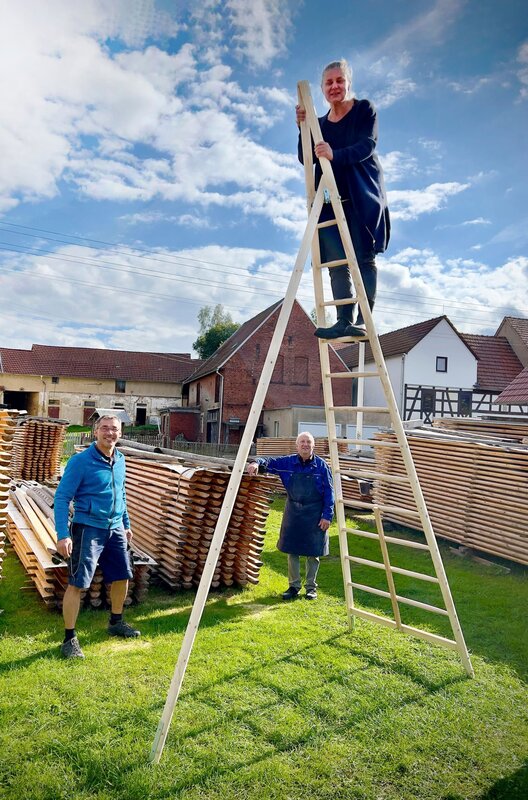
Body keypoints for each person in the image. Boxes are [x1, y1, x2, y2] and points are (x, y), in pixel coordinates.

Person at [296, 58, 390, 339]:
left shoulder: (364, 110)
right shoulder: (320, 123)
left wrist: (335, 154)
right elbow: (306, 157)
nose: (334, 86)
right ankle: (343, 319)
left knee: (363, 256)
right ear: (323, 89)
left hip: (361, 194)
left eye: (340, 80)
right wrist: (302, 128)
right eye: (329, 82)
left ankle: (363, 319)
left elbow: (367, 145)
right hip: (328, 199)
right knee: (336, 262)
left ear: (348, 83)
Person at [54, 414, 140, 658]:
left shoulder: (121, 460)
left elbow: (121, 494)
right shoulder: (80, 461)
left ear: (120, 434)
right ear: (95, 432)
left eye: (114, 429)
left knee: (123, 576)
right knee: (78, 583)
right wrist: (62, 534)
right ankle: (69, 639)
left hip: (115, 529)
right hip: (88, 528)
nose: (109, 433)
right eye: (105, 428)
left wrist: (126, 523)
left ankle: (116, 622)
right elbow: (62, 498)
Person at [247, 432, 334, 600]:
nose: (305, 445)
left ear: (313, 446)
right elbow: (269, 462)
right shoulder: (287, 463)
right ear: (297, 445)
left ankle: (311, 588)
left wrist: (327, 516)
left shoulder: (322, 467)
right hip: (293, 512)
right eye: (302, 442)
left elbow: (330, 493)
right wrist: (255, 463)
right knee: (292, 551)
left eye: (309, 442)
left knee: (313, 552)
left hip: (315, 513)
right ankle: (293, 586)